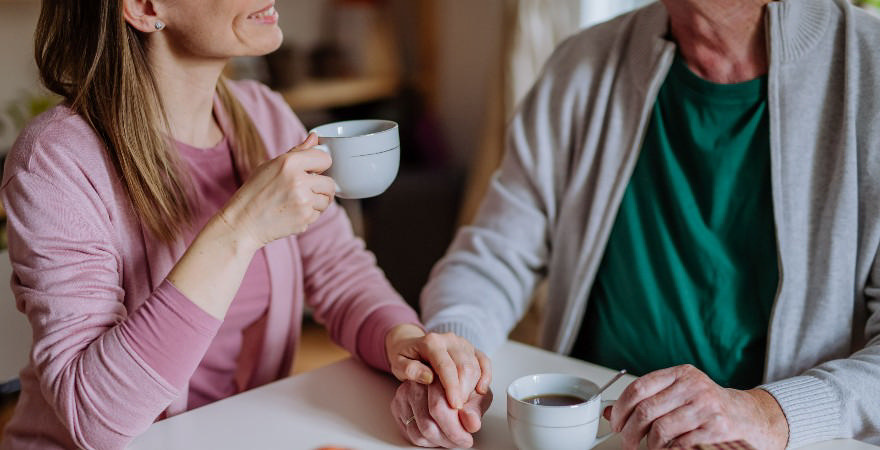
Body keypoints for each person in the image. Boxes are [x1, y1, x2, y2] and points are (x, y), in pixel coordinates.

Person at [0, 1, 488, 449]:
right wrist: (240, 228)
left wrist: (402, 343)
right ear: (146, 7)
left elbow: (339, 272)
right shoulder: (55, 162)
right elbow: (95, 417)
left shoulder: (264, 115)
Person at [393, 0, 880, 448]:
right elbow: (493, 254)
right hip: (594, 432)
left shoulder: (869, 68)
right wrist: (454, 355)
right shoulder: (582, 63)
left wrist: (769, 412)